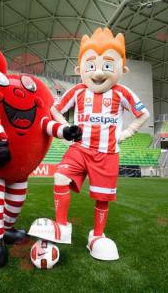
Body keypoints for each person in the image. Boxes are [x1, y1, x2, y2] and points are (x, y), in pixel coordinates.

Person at [29, 27, 150, 260]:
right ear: (80, 69)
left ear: (121, 69)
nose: (97, 73)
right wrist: (66, 127)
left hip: (107, 154)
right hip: (79, 149)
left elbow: (142, 114)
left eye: (107, 66)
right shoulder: (77, 91)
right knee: (60, 177)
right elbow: (54, 108)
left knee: (102, 199)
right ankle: (62, 225)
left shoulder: (121, 92)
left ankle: (96, 236)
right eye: (91, 65)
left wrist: (126, 133)